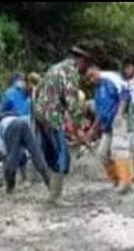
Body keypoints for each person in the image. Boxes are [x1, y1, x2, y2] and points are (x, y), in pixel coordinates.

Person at [40, 46, 95, 204]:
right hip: (53, 116)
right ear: (81, 61)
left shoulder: (55, 68)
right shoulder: (70, 73)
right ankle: (55, 197)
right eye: (86, 64)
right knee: (62, 155)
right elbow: (73, 105)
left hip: (41, 114)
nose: (86, 68)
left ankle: (52, 192)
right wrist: (79, 132)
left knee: (53, 154)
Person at [84, 67, 134, 191]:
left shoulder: (111, 78)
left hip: (118, 120)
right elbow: (100, 113)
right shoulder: (97, 90)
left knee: (119, 150)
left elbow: (125, 93)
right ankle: (117, 180)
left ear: (96, 71)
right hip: (106, 126)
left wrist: (119, 113)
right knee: (102, 154)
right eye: (88, 79)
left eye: (91, 76)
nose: (91, 80)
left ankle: (126, 182)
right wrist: (93, 130)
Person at [0, 115, 51, 193]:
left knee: (11, 159)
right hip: (22, 122)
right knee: (36, 152)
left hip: (11, 126)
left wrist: (5, 167)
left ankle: (10, 187)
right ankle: (49, 181)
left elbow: (4, 151)